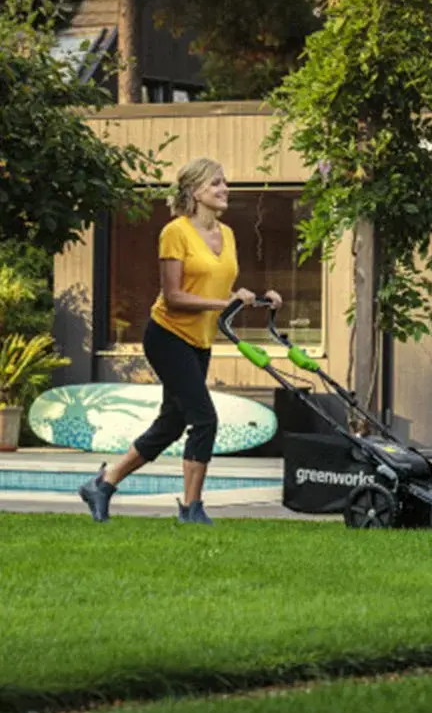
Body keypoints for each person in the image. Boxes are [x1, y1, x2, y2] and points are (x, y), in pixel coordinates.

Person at [78, 157, 282, 525]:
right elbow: (173, 296)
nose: (224, 189)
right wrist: (226, 303)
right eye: (215, 183)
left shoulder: (228, 234)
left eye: (224, 182)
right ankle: (191, 509)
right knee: (204, 419)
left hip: (200, 341)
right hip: (167, 336)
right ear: (195, 191)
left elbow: (216, 288)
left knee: (171, 425)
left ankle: (103, 484)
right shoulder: (176, 232)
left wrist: (259, 298)